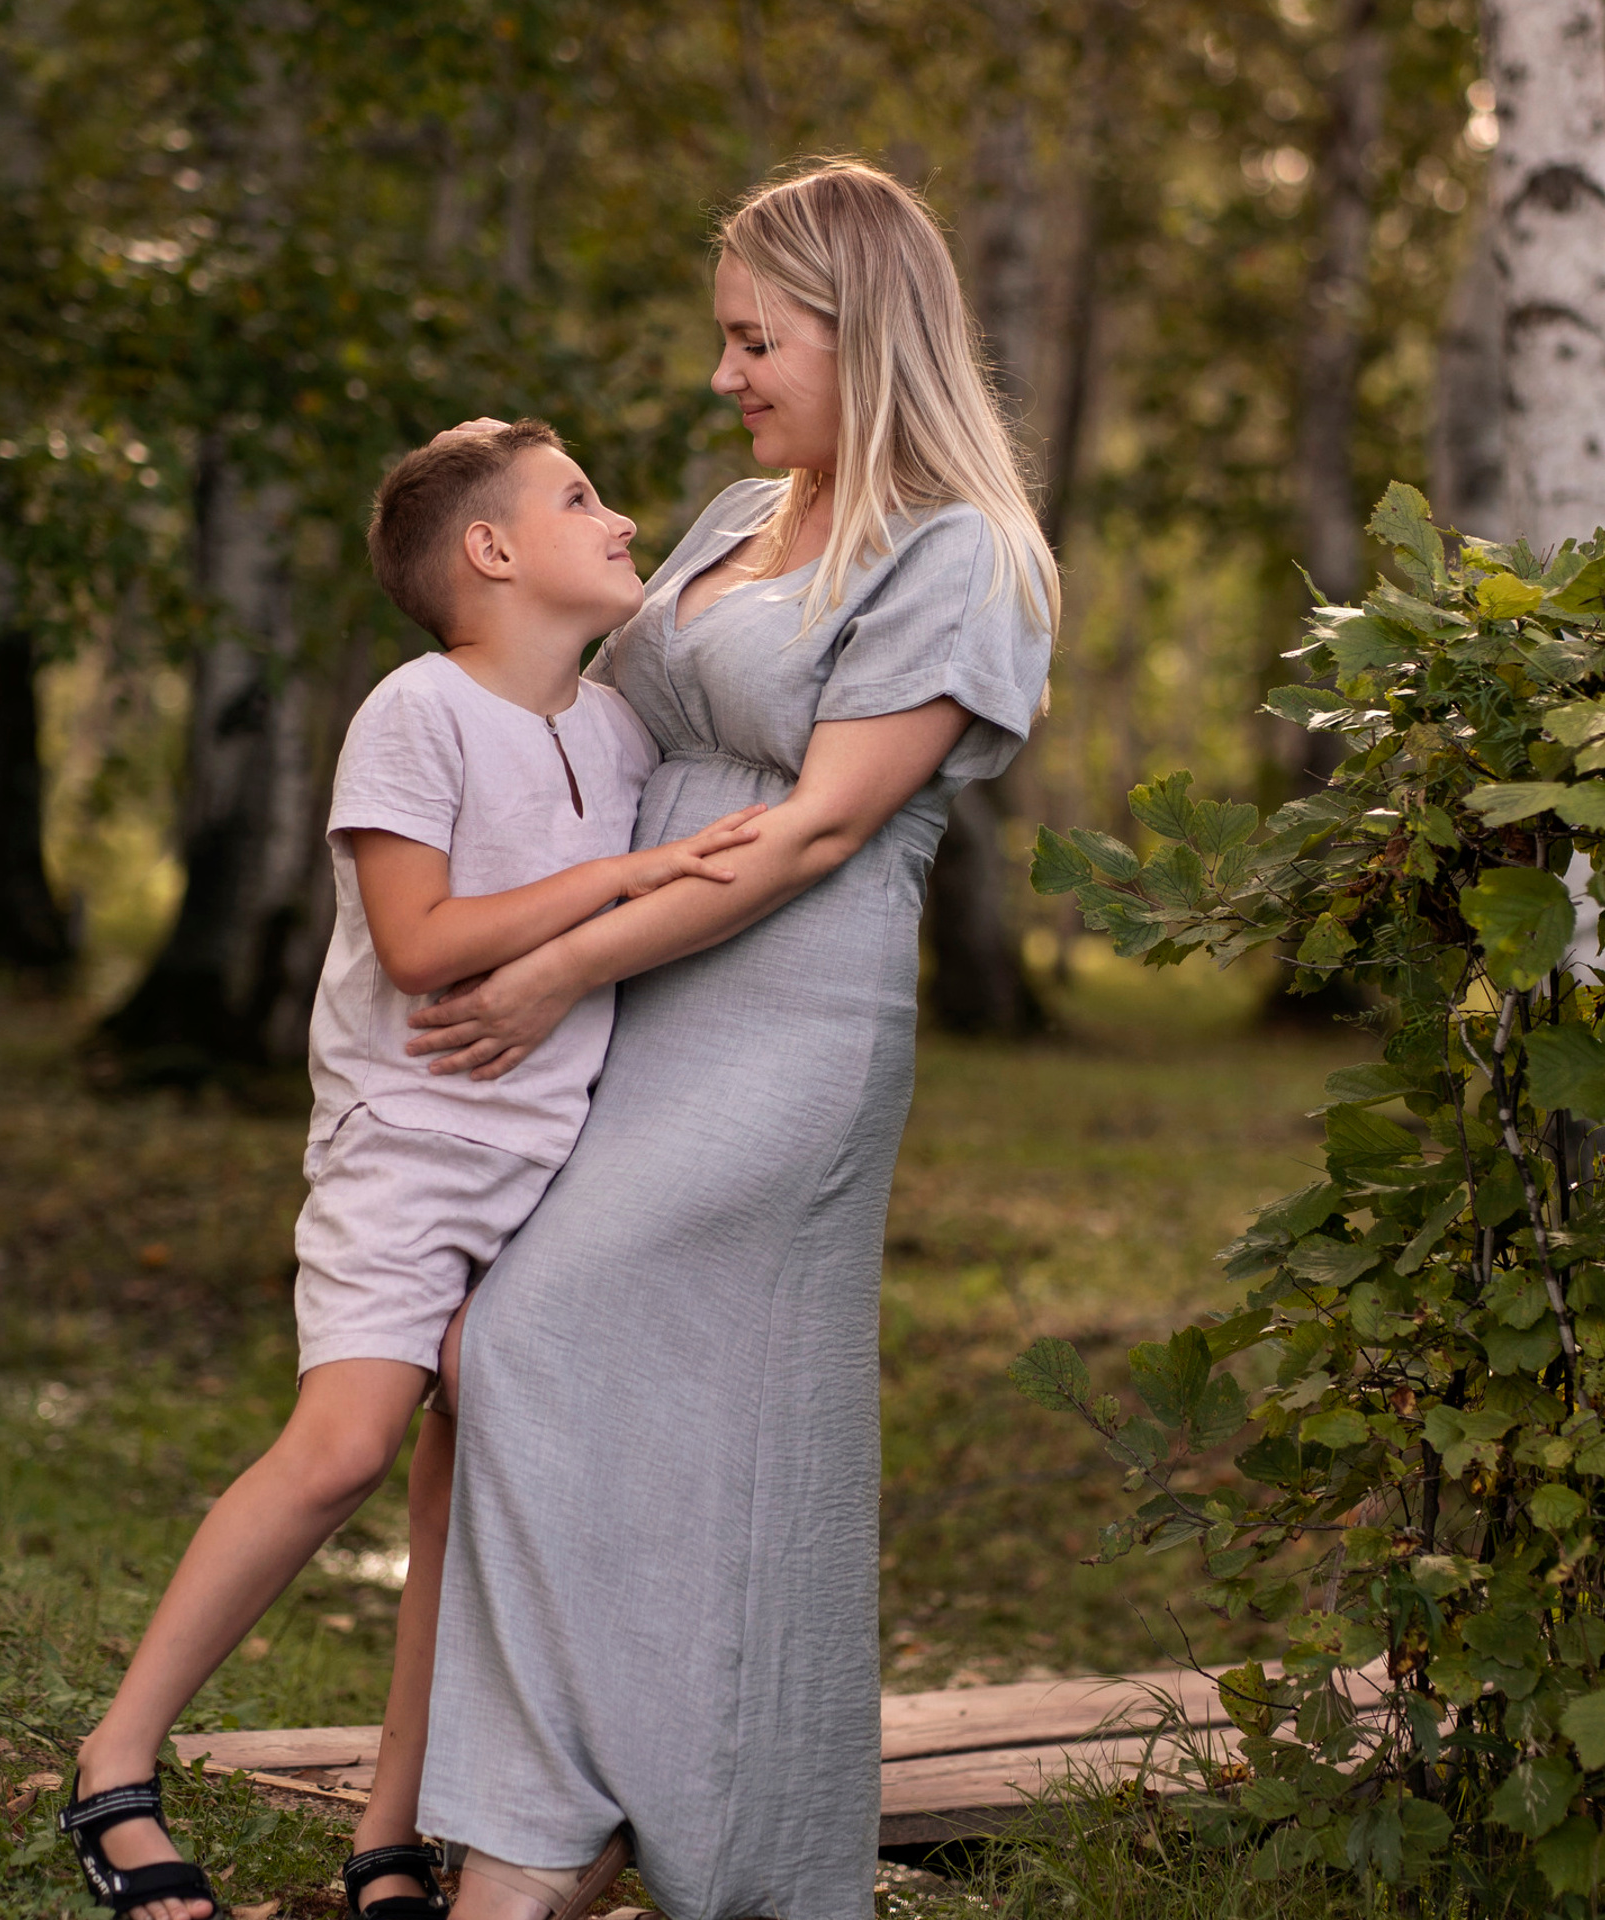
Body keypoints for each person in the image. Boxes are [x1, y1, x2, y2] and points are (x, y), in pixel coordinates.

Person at [408, 161, 1058, 1920]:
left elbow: (818, 831)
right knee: (573, 1385)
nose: (724, 377)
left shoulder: (959, 554)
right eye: (723, 340)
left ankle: (571, 1841)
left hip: (784, 1021)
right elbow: (580, 724)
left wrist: (552, 971)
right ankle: (549, 1827)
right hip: (630, 1003)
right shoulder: (723, 518)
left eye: (756, 339)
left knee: (541, 1345)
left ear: (863, 330)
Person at [61, 419, 765, 1920]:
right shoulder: (418, 712)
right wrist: (622, 876)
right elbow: (421, 940)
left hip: (552, 1170)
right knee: (342, 1452)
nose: (625, 517)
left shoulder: (620, 728)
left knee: (470, 1473)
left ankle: (395, 1832)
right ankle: (115, 1760)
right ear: (491, 552)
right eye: (583, 499)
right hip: (413, 1153)